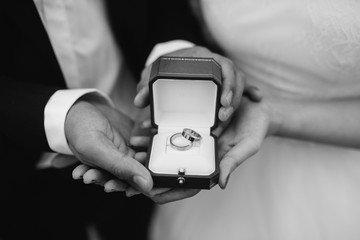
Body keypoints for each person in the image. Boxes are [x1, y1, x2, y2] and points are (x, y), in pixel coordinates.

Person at [0, 1, 250, 239]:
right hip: (18, 178)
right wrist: (62, 115)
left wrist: (176, 57)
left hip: (134, 139)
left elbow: (163, 8)